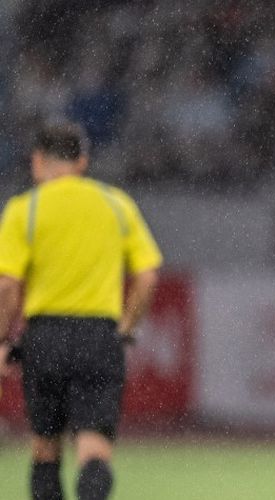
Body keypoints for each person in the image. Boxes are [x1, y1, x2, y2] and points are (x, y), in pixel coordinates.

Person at [0, 119, 162, 500]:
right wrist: (127, 328)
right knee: (94, 451)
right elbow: (148, 276)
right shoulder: (116, 203)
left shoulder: (27, 209)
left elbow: (7, 285)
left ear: (38, 161)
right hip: (99, 336)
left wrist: (4, 339)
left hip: (45, 337)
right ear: (83, 161)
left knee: (45, 450)